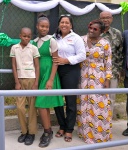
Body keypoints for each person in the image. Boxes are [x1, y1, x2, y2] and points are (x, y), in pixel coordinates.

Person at [76, 19, 112, 144]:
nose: (91, 30)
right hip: (83, 75)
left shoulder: (105, 44)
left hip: (98, 76)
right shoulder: (81, 40)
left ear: (102, 31)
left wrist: (107, 79)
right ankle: (85, 134)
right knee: (84, 104)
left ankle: (99, 134)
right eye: (90, 27)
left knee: (99, 104)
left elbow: (108, 62)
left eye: (95, 29)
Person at [32, 14, 64, 148]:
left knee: (41, 103)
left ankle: (47, 131)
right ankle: (47, 130)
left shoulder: (51, 40)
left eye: (46, 26)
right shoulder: (33, 41)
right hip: (38, 74)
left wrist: (51, 79)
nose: (44, 29)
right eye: (42, 26)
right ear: (37, 26)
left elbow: (56, 61)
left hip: (48, 74)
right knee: (41, 104)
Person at [53, 14, 86, 142]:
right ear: (59, 24)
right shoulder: (54, 37)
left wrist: (66, 60)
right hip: (56, 70)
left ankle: (69, 129)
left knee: (70, 100)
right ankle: (62, 126)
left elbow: (82, 55)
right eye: (62, 22)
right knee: (57, 100)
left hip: (70, 70)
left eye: (67, 23)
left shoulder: (76, 38)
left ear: (71, 25)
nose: (64, 25)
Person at [10, 27, 40, 146]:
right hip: (20, 80)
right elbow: (13, 65)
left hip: (31, 79)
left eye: (28, 36)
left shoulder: (33, 48)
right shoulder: (14, 48)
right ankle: (24, 131)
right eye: (24, 36)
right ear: (20, 35)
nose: (26, 38)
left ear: (31, 37)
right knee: (20, 108)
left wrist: (36, 83)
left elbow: (37, 66)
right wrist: (17, 82)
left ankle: (31, 133)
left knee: (32, 108)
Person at [99, 11, 123, 115]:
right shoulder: (95, 31)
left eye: (108, 17)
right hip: (96, 72)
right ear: (100, 19)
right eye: (103, 18)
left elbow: (121, 53)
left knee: (111, 98)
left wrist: (119, 71)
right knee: (97, 98)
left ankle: (107, 123)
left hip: (112, 71)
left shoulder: (117, 33)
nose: (105, 20)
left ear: (112, 19)